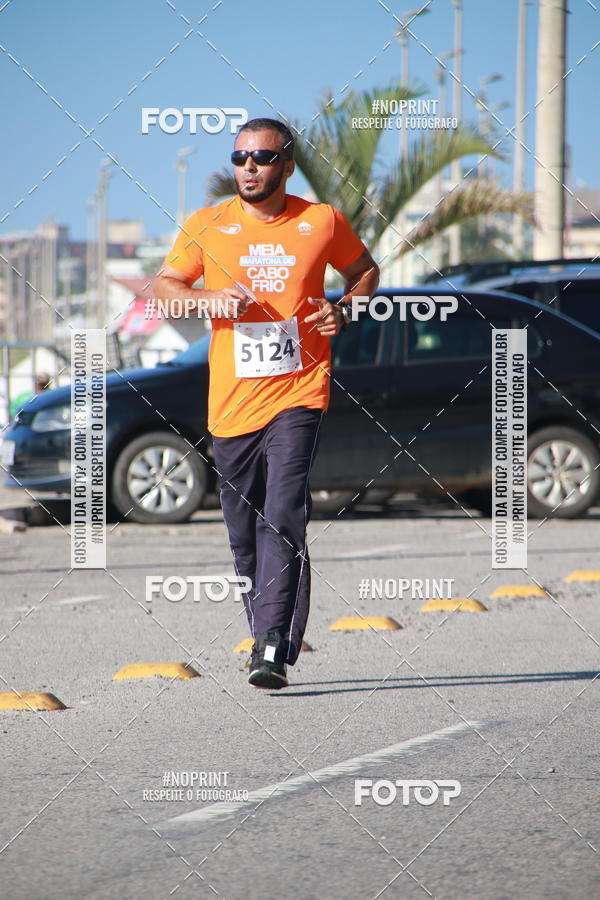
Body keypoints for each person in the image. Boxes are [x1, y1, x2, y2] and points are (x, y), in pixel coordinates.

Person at [154, 117, 379, 689]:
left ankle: (272, 645)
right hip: (231, 404)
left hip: (299, 391)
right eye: (239, 158)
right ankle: (266, 633)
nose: (248, 167)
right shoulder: (208, 225)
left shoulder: (320, 221)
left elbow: (364, 272)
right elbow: (165, 290)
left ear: (287, 165)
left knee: (283, 513)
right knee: (242, 531)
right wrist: (208, 298)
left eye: (261, 157)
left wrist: (345, 309)